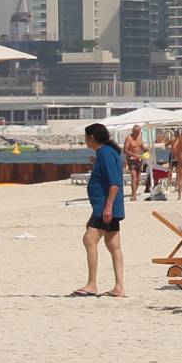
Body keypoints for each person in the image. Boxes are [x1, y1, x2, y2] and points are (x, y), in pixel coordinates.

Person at [74, 122, 126, 297]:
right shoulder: (106, 152)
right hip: (104, 207)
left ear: (92, 138)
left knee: (89, 240)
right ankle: (119, 287)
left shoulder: (105, 153)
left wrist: (108, 207)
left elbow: (114, 183)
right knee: (113, 245)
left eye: (86, 137)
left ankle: (92, 284)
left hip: (107, 207)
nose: (85, 140)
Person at [123, 127, 148, 202]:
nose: (137, 133)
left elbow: (142, 147)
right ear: (133, 131)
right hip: (131, 159)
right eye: (136, 132)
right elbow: (125, 150)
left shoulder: (140, 138)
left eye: (139, 132)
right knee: (133, 177)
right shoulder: (129, 138)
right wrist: (134, 155)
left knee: (138, 179)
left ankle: (133, 194)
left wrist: (146, 150)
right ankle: (134, 196)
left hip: (139, 159)